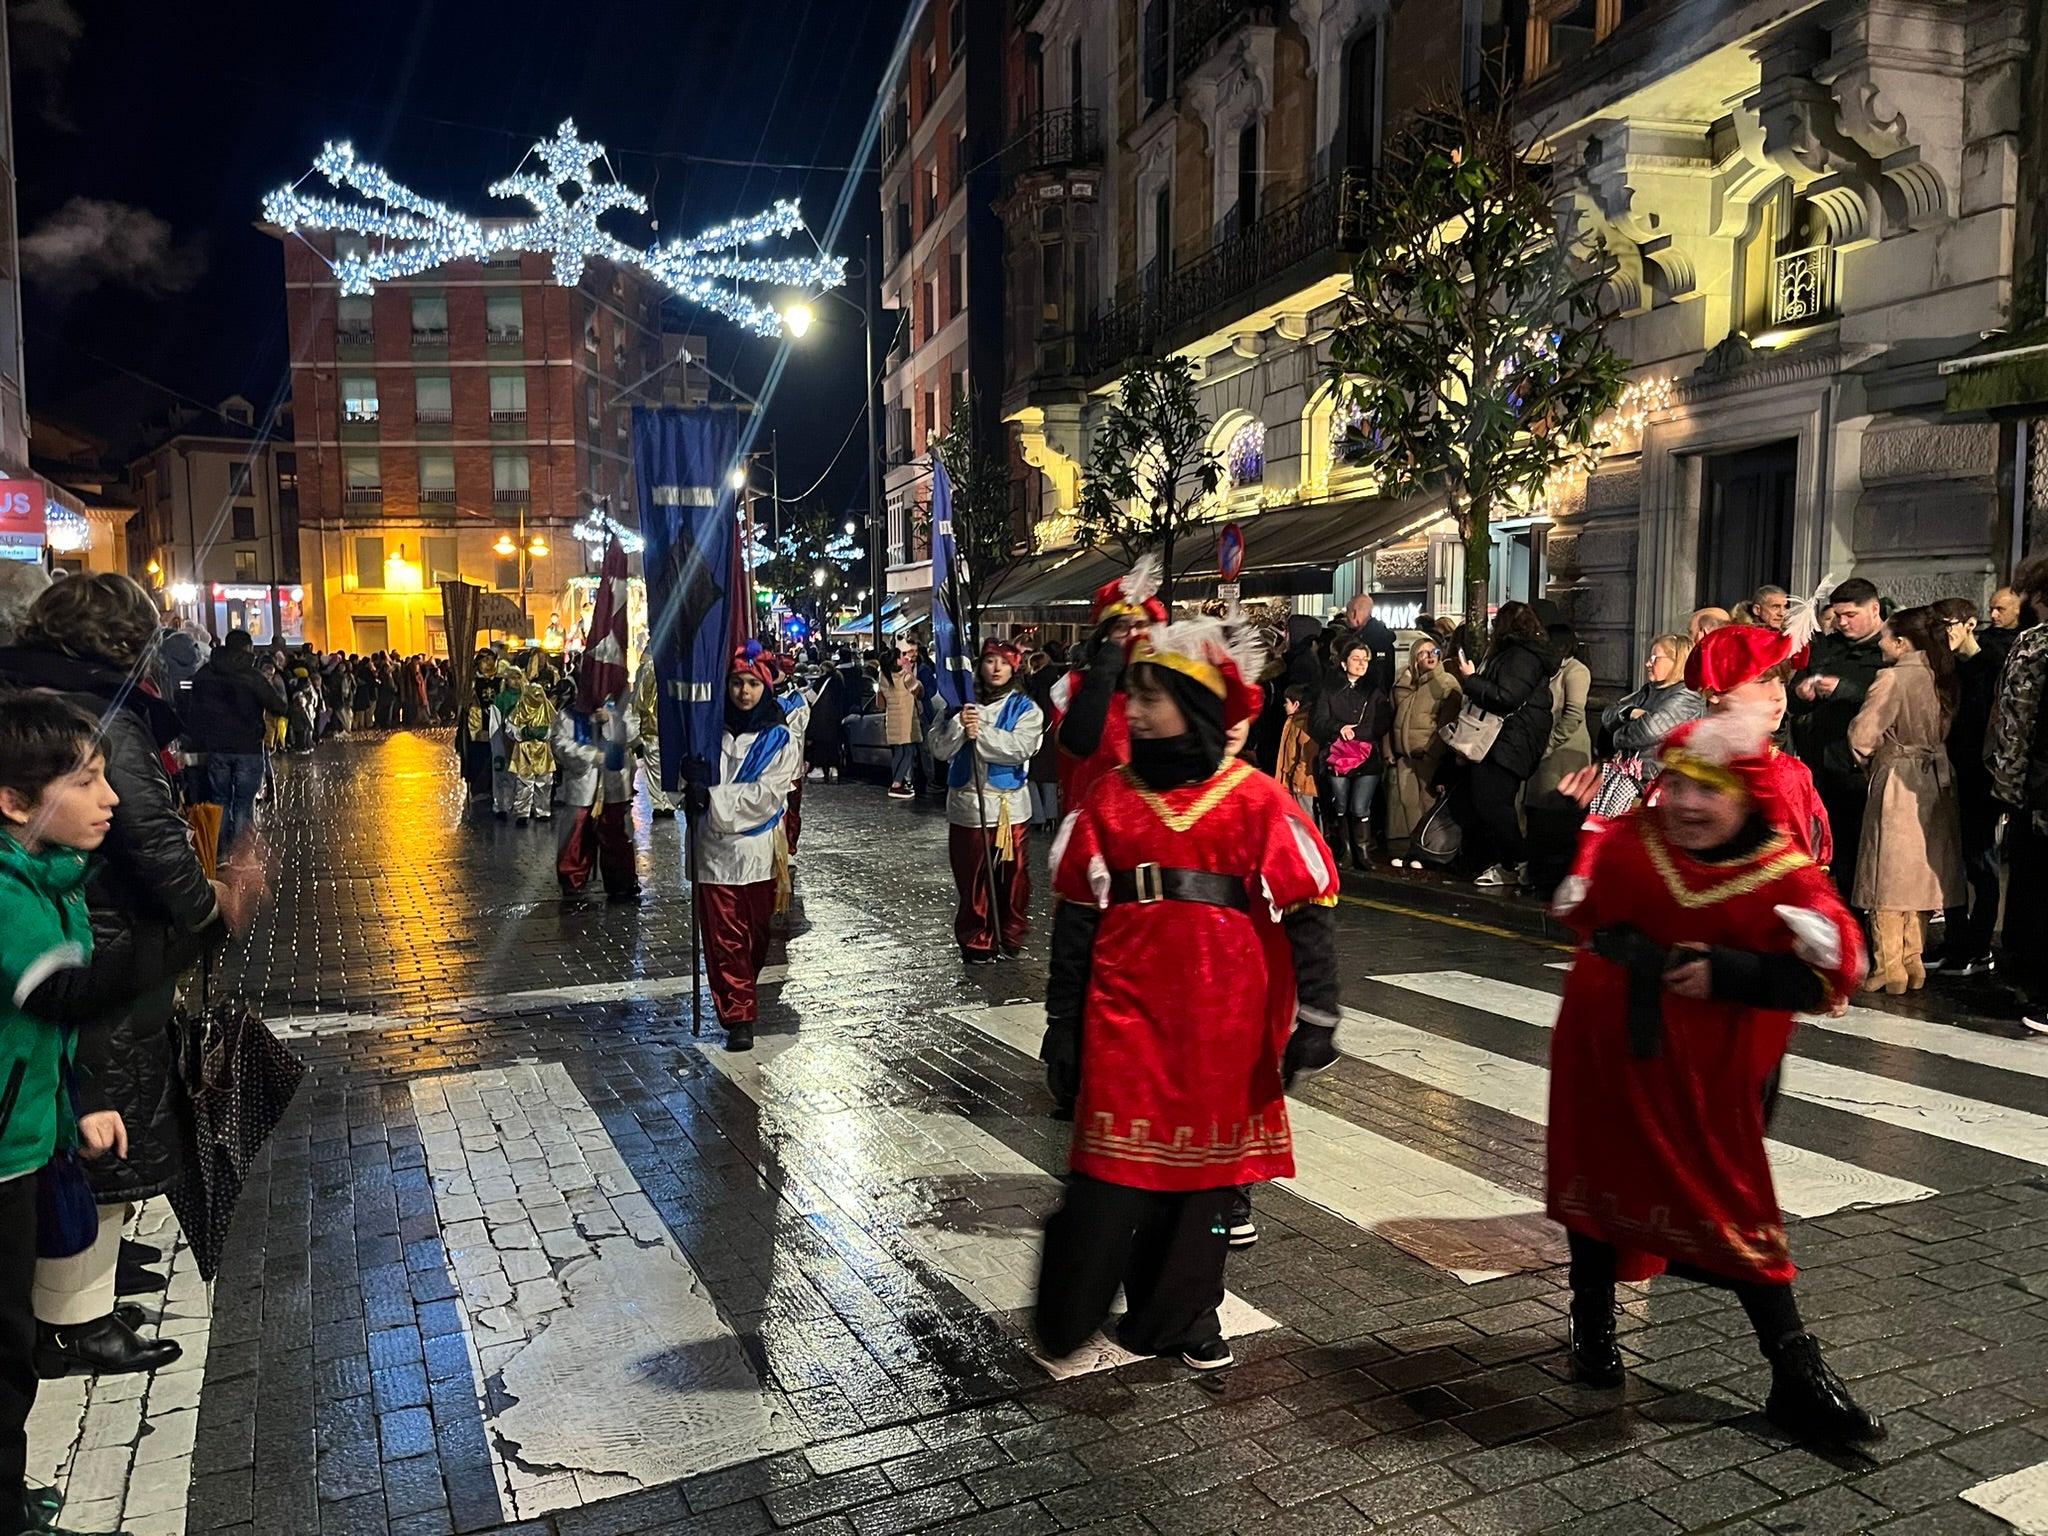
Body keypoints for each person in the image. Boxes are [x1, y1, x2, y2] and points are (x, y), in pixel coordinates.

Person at [1547, 702, 1878, 1444]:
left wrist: (1733, 972)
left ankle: (1796, 1370)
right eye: (1679, 785)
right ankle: (1591, 1320)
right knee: (1597, 1175)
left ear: (1748, 796)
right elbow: (1579, 910)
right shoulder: (1635, 843)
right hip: (1606, 1048)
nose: (1689, 804)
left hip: (1707, 1080)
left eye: (1711, 789)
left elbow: (1838, 969)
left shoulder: (1782, 875)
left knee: (1733, 1202)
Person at [1035, 615, 1341, 1370]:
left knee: (1202, 1186)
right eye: (1132, 695)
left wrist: (1318, 1015)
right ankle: (1080, 1302)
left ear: (1196, 705)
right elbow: (1076, 921)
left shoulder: (1257, 799)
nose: (1134, 712)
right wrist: (1063, 1022)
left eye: (1152, 696)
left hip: (1223, 1023)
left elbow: (1307, 908)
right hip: (1123, 1016)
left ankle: (1183, 1316)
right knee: (1113, 1174)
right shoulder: (1108, 798)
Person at [0, 576, 231, 1382]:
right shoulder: (95, 717)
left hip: (69, 923)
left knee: (78, 1123)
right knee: (104, 1127)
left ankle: (77, 1291)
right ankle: (77, 1317)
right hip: (99, 938)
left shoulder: (25, 694)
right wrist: (206, 918)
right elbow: (156, 844)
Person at [0, 693, 180, 1536]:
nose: (111, 798)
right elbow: (68, 992)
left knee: (10, 1341)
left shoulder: (51, 880)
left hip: (25, 1139)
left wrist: (78, 1105)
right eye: (87, 780)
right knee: (3, 1348)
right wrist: (189, 931)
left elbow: (44, 1034)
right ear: (13, 802)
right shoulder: (8, 900)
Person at [686, 644, 801, 1051]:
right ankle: (738, 1017)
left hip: (757, 853)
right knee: (723, 940)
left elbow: (766, 797)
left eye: (753, 683)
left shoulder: (780, 739)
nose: (744, 692)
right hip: (714, 855)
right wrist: (689, 779)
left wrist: (711, 798)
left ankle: (743, 992)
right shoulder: (705, 732)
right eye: (737, 682)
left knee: (754, 937)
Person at [1845, 606, 1964, 993]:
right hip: (1936, 780)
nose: (1880, 642)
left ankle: (1889, 966)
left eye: (1885, 635)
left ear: (1900, 642)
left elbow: (1863, 733)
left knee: (1887, 872)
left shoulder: (1892, 678)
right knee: (1922, 874)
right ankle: (1914, 961)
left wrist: (1870, 762)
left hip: (1899, 777)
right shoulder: (1940, 674)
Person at [926, 639, 1046, 964]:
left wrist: (983, 732)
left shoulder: (1026, 708)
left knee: (1013, 877)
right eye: (990, 661)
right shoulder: (955, 705)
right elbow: (938, 747)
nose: (996, 669)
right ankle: (977, 939)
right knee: (972, 877)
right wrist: (959, 726)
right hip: (967, 807)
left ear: (1014, 667)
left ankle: (1010, 934)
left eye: (1003, 663)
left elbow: (1021, 748)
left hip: (1008, 808)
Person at [1683, 620, 1833, 866]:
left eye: (1782, 682)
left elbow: (1809, 859)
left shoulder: (1793, 774)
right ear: (1716, 691)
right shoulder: (1686, 767)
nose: (1778, 695)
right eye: (1762, 682)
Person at [1791, 577, 1888, 899]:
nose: (1842, 622)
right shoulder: (1828, 647)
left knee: (1861, 860)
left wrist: (1845, 690)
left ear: (1874, 609)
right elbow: (1793, 696)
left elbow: (1894, 702)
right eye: (1838, 615)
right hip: (1821, 767)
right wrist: (1802, 692)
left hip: (1862, 772)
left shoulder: (1889, 650)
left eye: (1851, 615)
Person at [1052, 556, 1168, 815]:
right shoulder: (1070, 687)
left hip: (1155, 816)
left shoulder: (1170, 690)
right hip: (1092, 815)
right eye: (1121, 626)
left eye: (1140, 625)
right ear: (1104, 634)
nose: (1132, 634)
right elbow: (1075, 744)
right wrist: (1103, 672)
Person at [1451, 601, 1554, 887]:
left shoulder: (1520, 656)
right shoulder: (1518, 653)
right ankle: (1505, 862)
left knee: (1493, 803)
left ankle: (1516, 862)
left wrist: (1471, 680)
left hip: (1508, 739)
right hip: (1506, 740)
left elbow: (1506, 695)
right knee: (1488, 803)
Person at [1987, 554, 2048, 1032]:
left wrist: (2009, 793)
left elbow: (2016, 726)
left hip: (2041, 793)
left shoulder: (2034, 647)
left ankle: (2039, 989)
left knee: (2035, 889)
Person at [1930, 598, 2000, 975]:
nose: (1944, 634)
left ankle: (1979, 944)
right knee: (1950, 861)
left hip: (1980, 777)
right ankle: (1958, 941)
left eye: (1949, 625)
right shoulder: (1945, 668)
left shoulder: (1993, 664)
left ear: (1970, 624)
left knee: (1980, 861)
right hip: (1947, 774)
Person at [184, 628, 289, 859]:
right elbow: (278, 706)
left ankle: (220, 853)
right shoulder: (252, 676)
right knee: (243, 803)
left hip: (217, 748)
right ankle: (241, 854)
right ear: (247, 648)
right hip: (248, 748)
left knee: (220, 801)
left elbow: (194, 710)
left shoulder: (205, 674)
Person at [551, 686, 640, 900]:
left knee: (616, 833)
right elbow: (560, 744)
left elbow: (632, 732)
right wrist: (590, 755)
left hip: (614, 785)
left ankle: (621, 881)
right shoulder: (569, 714)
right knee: (577, 833)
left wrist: (609, 719)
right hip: (583, 786)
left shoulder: (621, 709)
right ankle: (572, 879)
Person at [1310, 636, 1391, 871]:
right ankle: (1346, 851)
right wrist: (1338, 728)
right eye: (1356, 659)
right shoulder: (1329, 690)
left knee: (1360, 806)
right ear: (1344, 663)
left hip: (1366, 754)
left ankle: (1363, 851)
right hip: (1339, 755)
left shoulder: (1375, 690)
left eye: (1365, 659)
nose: (1361, 663)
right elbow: (1318, 721)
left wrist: (1359, 734)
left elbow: (1382, 721)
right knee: (1341, 804)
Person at [1385, 636, 1460, 867]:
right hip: (1405, 756)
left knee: (1429, 804)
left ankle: (1431, 851)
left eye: (1434, 650)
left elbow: (1448, 723)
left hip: (1429, 756)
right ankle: (1415, 848)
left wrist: (1433, 753)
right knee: (1409, 804)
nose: (1430, 655)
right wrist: (1390, 750)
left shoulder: (1446, 683)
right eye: (1423, 652)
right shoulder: (1404, 684)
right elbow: (1391, 718)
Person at [1599, 633, 1705, 786]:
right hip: (1634, 779)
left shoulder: (1687, 694)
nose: (1648, 663)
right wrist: (1630, 713)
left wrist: (1616, 736)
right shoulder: (1649, 690)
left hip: (1659, 783)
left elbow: (1650, 730)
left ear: (1677, 661)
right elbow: (1609, 712)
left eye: (1655, 658)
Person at [771, 655, 811, 852]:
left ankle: (789, 846)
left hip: (791, 763)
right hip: (769, 763)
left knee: (791, 807)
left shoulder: (796, 699)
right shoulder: (764, 694)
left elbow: (797, 729)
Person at [1322, 593, 1396, 697]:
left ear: (1354, 613)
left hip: (1360, 700)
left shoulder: (1360, 641)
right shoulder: (1383, 639)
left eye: (1347, 611)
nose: (1346, 616)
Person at [503, 680, 555, 825]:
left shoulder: (547, 709)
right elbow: (509, 728)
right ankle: (522, 813)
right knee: (524, 784)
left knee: (544, 783)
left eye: (540, 696)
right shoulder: (518, 710)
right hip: (524, 752)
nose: (538, 699)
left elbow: (556, 728)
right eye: (535, 696)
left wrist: (543, 732)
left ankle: (543, 811)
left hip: (542, 751)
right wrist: (523, 732)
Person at [631, 652, 675, 818]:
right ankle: (664, 803)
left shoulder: (650, 668)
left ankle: (661, 803)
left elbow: (640, 701)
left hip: (657, 726)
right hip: (659, 726)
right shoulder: (664, 667)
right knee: (662, 766)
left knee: (658, 767)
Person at [876, 647, 922, 799]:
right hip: (906, 720)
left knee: (898, 752)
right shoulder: (904, 677)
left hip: (893, 720)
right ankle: (896, 784)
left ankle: (895, 783)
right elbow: (920, 692)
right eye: (901, 656)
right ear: (895, 660)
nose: (905, 658)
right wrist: (910, 673)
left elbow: (880, 703)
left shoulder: (884, 677)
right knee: (908, 752)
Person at [1273, 684, 1320, 824]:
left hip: (1302, 782)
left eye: (1286, 702)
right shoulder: (1293, 720)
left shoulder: (1303, 723)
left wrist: (1298, 778)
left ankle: (1311, 845)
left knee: (1305, 819)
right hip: (1294, 780)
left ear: (1296, 704)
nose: (1284, 705)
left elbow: (1308, 753)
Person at [458, 652, 500, 807]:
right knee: (479, 756)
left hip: (496, 723)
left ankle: (493, 788)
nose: (488, 664)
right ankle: (478, 788)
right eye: (485, 660)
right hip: (477, 725)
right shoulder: (472, 682)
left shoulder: (500, 681)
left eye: (491, 660)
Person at [1985, 583, 2024, 676]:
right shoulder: (1985, 639)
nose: (1993, 615)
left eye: (2000, 609)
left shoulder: (2030, 638)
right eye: (1991, 609)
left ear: (2017, 609)